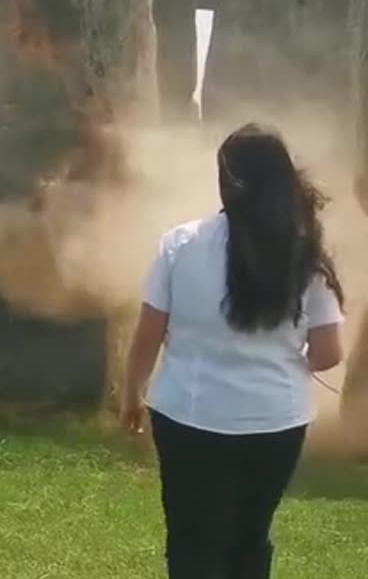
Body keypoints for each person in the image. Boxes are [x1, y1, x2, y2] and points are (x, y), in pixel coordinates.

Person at [121, 123, 345, 578]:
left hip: (187, 415)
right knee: (250, 539)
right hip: (276, 421)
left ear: (226, 180)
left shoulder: (179, 244)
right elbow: (328, 351)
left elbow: (148, 335)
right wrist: (286, 365)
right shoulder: (305, 254)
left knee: (192, 541)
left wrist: (131, 395)